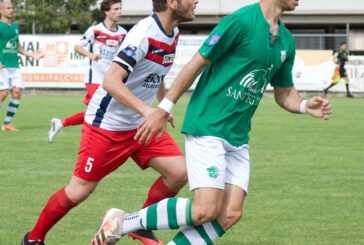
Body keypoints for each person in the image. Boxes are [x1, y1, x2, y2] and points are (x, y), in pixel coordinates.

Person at [92, 0, 332, 244]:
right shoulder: (241, 21)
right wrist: (164, 107)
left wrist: (304, 106)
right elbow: (197, 63)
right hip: (208, 126)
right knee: (204, 210)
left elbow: (284, 92)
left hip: (238, 136)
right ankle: (123, 222)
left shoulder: (286, 40)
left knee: (230, 213)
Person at [21, 0, 198, 244]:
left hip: (139, 123)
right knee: (79, 190)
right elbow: (111, 82)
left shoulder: (173, 33)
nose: (196, 1)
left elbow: (156, 75)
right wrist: (149, 111)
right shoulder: (143, 34)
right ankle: (33, 238)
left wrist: (161, 106)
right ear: (171, 3)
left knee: (179, 172)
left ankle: (139, 224)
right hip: (108, 125)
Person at [48, 0, 127, 143]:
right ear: (107, 11)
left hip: (111, 80)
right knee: (98, 111)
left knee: (103, 112)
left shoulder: (123, 33)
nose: (119, 12)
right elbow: (77, 47)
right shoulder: (95, 30)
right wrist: (91, 55)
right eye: (116, 9)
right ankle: (94, 140)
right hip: (95, 78)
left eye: (120, 9)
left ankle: (60, 123)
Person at [0, 0, 44, 132]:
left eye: (12, 8)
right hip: (2, 66)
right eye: (8, 8)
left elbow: (17, 45)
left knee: (17, 92)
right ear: (1, 10)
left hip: (14, 65)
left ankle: (7, 123)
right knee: (2, 94)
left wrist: (32, 55)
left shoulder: (15, 26)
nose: (11, 10)